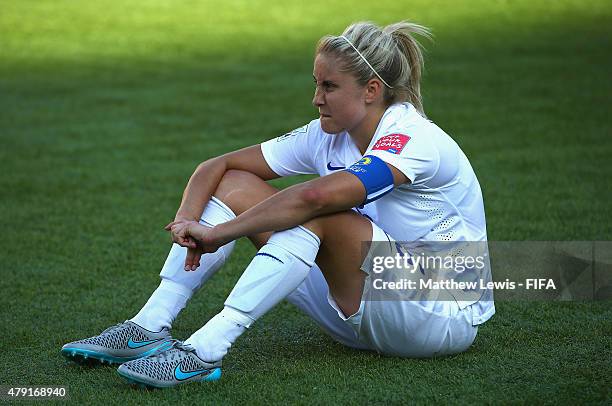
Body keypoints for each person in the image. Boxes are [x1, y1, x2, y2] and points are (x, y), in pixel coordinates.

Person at [61, 20, 495, 388]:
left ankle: (205, 349)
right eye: (316, 84)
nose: (316, 98)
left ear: (371, 90)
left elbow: (315, 197)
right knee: (236, 183)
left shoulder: (413, 138)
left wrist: (217, 234)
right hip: (361, 305)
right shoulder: (327, 133)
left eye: (329, 86)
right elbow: (218, 166)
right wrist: (187, 224)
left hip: (439, 314)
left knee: (326, 215)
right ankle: (149, 325)